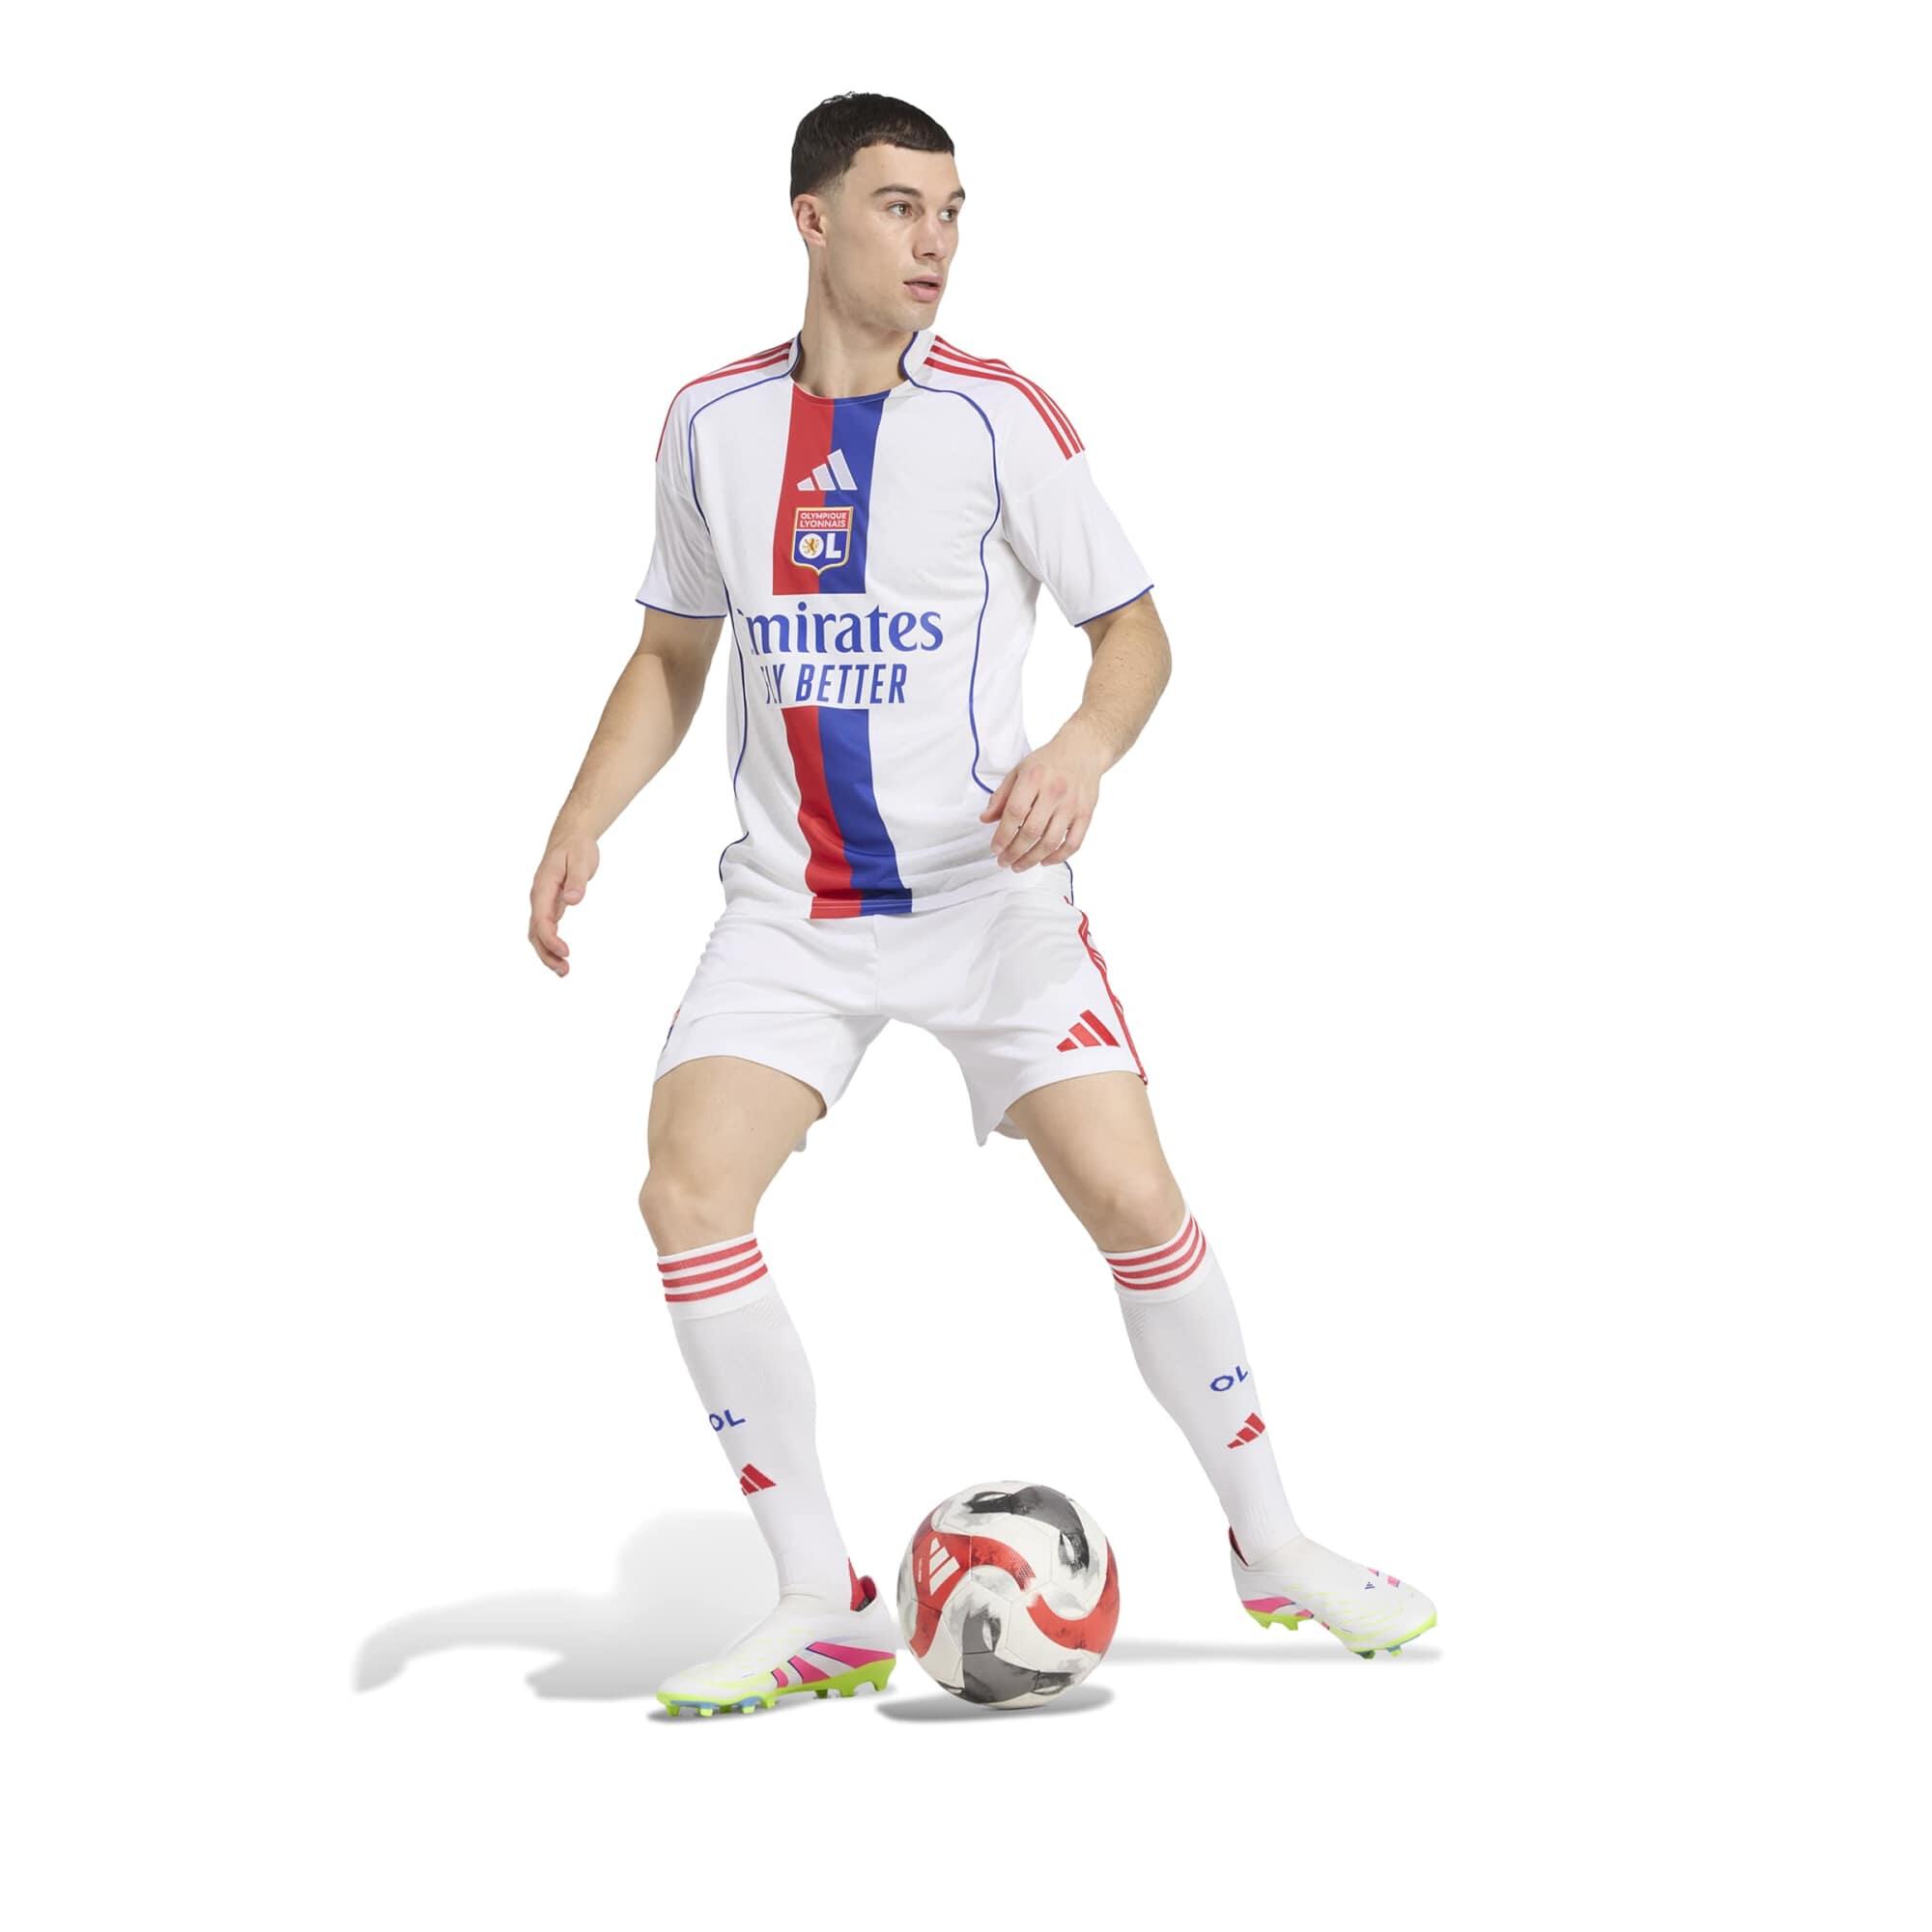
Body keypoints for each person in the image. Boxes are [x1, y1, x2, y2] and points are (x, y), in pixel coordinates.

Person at [527, 92, 1436, 1717]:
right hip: (792, 909)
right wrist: (582, 818)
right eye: (900, 207)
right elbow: (672, 652)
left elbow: (1135, 630)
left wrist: (1081, 749)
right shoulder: (710, 424)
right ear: (812, 219)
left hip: (989, 897)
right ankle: (818, 1597)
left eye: (952, 211)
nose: (935, 241)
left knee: (1132, 1193)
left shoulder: (999, 416)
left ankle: (1273, 1538)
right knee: (686, 1195)